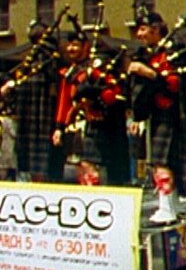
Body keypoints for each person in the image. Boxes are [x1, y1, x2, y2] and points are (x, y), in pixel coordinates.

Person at [128, 11, 186, 224]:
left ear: (156, 29)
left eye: (143, 29)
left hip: (172, 112)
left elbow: (174, 83)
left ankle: (167, 209)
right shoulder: (148, 52)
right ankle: (171, 207)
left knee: (162, 161)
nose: (139, 34)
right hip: (156, 113)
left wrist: (147, 72)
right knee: (164, 161)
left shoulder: (174, 50)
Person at [52, 31, 130, 186]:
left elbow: (116, 94)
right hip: (82, 124)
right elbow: (64, 101)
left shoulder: (101, 66)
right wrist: (59, 127)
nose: (70, 49)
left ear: (85, 46)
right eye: (69, 45)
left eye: (75, 45)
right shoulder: (71, 73)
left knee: (113, 170)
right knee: (84, 166)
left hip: (108, 122)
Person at [0, 20, 61, 182]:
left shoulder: (48, 61)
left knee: (38, 163)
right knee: (29, 162)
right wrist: (10, 88)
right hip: (30, 118)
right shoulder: (32, 61)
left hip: (42, 119)